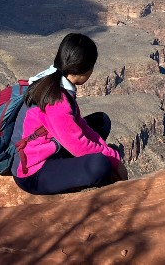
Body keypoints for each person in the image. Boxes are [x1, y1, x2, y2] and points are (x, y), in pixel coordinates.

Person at [10, 32, 128, 195]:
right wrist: (112, 160)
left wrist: (110, 155)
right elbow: (78, 144)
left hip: (51, 147)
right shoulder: (57, 100)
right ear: (86, 69)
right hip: (34, 172)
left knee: (101, 121)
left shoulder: (54, 80)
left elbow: (81, 127)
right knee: (100, 165)